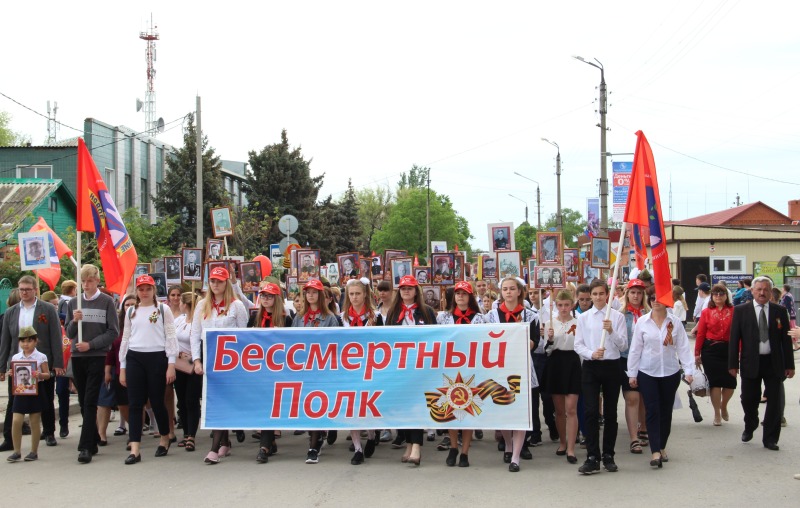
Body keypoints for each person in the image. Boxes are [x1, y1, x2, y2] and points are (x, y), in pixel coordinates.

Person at [627, 286, 694, 468]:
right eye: (652, 298)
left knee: (665, 411)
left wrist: (689, 370)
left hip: (670, 372)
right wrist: (632, 373)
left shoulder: (674, 323)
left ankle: (662, 445)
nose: (655, 301)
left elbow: (683, 347)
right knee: (652, 409)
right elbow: (635, 349)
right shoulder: (642, 322)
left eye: (659, 298)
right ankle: (655, 451)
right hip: (648, 371)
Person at [190, 267, 249, 464]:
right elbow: (195, 334)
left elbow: (244, 335)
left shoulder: (236, 305)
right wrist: (197, 360)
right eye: (213, 281)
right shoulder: (201, 305)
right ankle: (224, 443)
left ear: (226, 283)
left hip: (230, 363)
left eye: (220, 281)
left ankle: (215, 448)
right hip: (209, 361)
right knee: (212, 402)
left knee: (222, 403)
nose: (216, 285)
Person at [728, 276, 795, 451]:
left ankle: (770, 438)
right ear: (752, 291)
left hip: (774, 363)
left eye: (765, 289)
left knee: (774, 401)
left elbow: (786, 341)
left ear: (770, 292)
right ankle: (750, 424)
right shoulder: (741, 310)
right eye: (758, 289)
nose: (762, 292)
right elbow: (734, 339)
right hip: (751, 361)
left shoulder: (779, 311)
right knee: (748, 399)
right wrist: (732, 364)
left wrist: (790, 365)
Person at [118, 275, 178, 465]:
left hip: (157, 357)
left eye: (148, 289)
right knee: (135, 403)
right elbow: (126, 338)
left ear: (154, 290)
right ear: (137, 291)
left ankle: (164, 437)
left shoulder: (162, 309)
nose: (144, 292)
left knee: (157, 401)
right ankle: (135, 448)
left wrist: (171, 364)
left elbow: (170, 336)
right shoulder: (131, 312)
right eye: (141, 289)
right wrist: (123, 367)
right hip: (135, 357)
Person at [0, 275, 63, 451]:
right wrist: (2, 367)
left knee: (46, 399)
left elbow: (56, 337)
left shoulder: (47, 309)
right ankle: (9, 438)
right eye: (21, 289)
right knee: (14, 402)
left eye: (28, 289)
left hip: (40, 362)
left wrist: (57, 362)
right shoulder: (11, 312)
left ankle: (49, 432)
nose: (24, 292)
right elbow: (5, 341)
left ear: (35, 290)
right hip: (18, 363)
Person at [64, 265, 120, 463]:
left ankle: (85, 446)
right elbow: (69, 333)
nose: (86, 285)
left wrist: (91, 344)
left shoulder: (106, 302)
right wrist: (73, 321)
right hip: (77, 357)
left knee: (90, 400)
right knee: (83, 400)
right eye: (83, 281)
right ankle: (94, 437)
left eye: (90, 281)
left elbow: (113, 331)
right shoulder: (73, 302)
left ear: (97, 280)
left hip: (97, 356)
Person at [485, 277, 539, 473]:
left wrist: (520, 338)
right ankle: (508, 443)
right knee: (503, 409)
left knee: (521, 411)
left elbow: (535, 342)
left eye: (512, 289)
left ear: (519, 292)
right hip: (500, 367)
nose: (508, 292)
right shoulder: (491, 315)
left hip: (522, 365)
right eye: (505, 289)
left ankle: (516, 456)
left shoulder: (530, 315)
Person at [574, 279, 627, 475]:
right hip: (591, 366)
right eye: (594, 294)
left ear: (608, 295)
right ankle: (592, 456)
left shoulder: (616, 317)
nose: (597, 297)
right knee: (590, 411)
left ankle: (608, 455)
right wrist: (591, 353)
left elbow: (623, 346)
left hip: (612, 366)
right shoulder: (584, 318)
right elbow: (578, 344)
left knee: (611, 413)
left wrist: (611, 331)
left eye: (601, 294)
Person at [385, 275, 436, 464]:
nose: (406, 291)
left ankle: (416, 446)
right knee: (403, 405)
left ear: (416, 291)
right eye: (403, 288)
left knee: (415, 404)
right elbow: (387, 340)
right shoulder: (393, 312)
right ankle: (408, 443)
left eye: (410, 288)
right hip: (400, 365)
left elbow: (435, 336)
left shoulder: (427, 311)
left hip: (420, 365)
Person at [436, 281, 485, 468]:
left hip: (471, 370)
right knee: (451, 409)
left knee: (467, 410)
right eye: (458, 293)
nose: (461, 297)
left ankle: (465, 451)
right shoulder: (444, 317)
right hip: (449, 369)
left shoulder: (480, 318)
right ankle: (453, 447)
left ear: (470, 296)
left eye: (464, 293)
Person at [291, 279, 340, 464]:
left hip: (322, 368)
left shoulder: (330, 318)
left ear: (321, 295)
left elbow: (336, 344)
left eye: (314, 292)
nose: (311, 295)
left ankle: (313, 446)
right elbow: (292, 343)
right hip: (304, 368)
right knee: (307, 406)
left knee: (317, 404)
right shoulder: (299, 318)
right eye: (308, 292)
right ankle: (316, 437)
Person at [341, 278, 383, 465]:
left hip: (370, 366)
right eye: (351, 294)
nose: (355, 297)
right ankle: (358, 448)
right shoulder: (342, 318)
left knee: (368, 405)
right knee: (352, 407)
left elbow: (383, 343)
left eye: (358, 293)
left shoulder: (376, 316)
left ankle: (372, 435)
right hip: (349, 367)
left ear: (365, 294)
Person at [248, 282, 292, 463]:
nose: (266, 299)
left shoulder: (287, 319)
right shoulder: (254, 318)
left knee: (273, 406)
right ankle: (267, 443)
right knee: (265, 405)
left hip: (279, 370)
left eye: (270, 296)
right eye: (263, 296)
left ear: (277, 299)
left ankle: (265, 445)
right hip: (260, 369)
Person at [1, 326, 51, 462]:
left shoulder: (41, 356)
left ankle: (33, 451)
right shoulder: (16, 357)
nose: (25, 344)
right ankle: (17, 451)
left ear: (35, 341)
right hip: (21, 392)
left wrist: (39, 374)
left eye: (29, 341)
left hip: (36, 391)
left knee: (34, 421)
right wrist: (11, 373)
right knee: (16, 421)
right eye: (22, 341)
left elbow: (48, 375)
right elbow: (14, 374)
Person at [545, 290, 581, 464]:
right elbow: (547, 351)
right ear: (556, 306)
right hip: (556, 363)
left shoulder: (578, 322)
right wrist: (550, 340)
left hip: (573, 363)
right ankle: (562, 442)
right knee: (559, 410)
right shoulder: (549, 323)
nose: (564, 308)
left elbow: (581, 346)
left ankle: (572, 448)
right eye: (560, 305)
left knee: (571, 409)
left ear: (572, 305)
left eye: (567, 305)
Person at [695, 283, 736, 426]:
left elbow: (739, 333)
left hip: (729, 349)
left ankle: (723, 405)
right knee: (715, 383)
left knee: (731, 382)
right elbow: (700, 333)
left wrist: (740, 351)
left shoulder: (733, 311)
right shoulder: (706, 312)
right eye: (715, 294)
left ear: (726, 296)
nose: (718, 296)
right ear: (712, 296)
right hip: (711, 350)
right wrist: (697, 353)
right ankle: (717, 413)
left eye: (721, 294)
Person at [619, 279, 650, 455]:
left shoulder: (649, 313)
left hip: (646, 361)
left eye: (639, 292)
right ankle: (633, 438)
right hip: (626, 359)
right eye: (633, 292)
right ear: (627, 294)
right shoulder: (621, 314)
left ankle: (643, 426)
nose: (636, 296)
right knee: (632, 398)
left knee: (644, 397)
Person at [779, 284, 797, 350]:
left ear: (784, 289)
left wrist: (787, 316)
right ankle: (795, 345)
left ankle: (795, 345)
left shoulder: (787, 296)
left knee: (790, 330)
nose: (781, 289)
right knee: (790, 330)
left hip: (789, 316)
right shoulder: (787, 295)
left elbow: (787, 307)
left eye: (782, 288)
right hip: (790, 315)